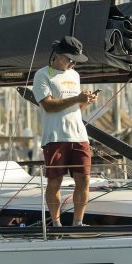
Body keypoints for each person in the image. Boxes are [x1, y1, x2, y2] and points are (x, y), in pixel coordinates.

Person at [31, 35, 97, 227]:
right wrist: (77, 98)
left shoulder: (74, 76)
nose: (73, 64)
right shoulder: (42, 75)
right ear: (58, 55)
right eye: (70, 59)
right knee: (54, 181)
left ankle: (78, 222)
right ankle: (56, 224)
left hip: (79, 135)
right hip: (55, 137)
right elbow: (49, 106)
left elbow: (76, 108)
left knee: (84, 179)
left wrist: (84, 101)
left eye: (76, 61)